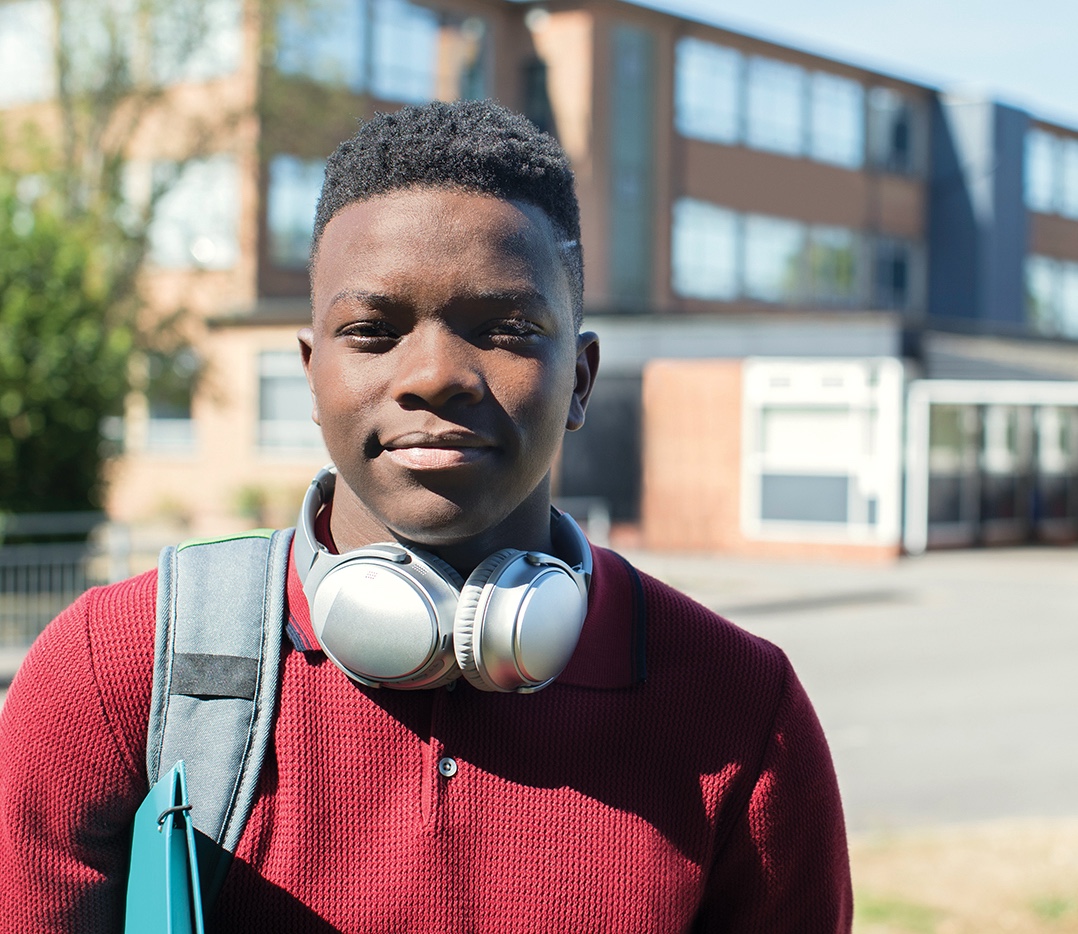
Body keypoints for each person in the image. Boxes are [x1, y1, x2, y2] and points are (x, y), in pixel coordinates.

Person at [0, 100, 852, 932]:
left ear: (582, 380)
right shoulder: (113, 671)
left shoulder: (742, 708)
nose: (435, 375)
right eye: (373, 329)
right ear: (311, 374)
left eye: (507, 328)